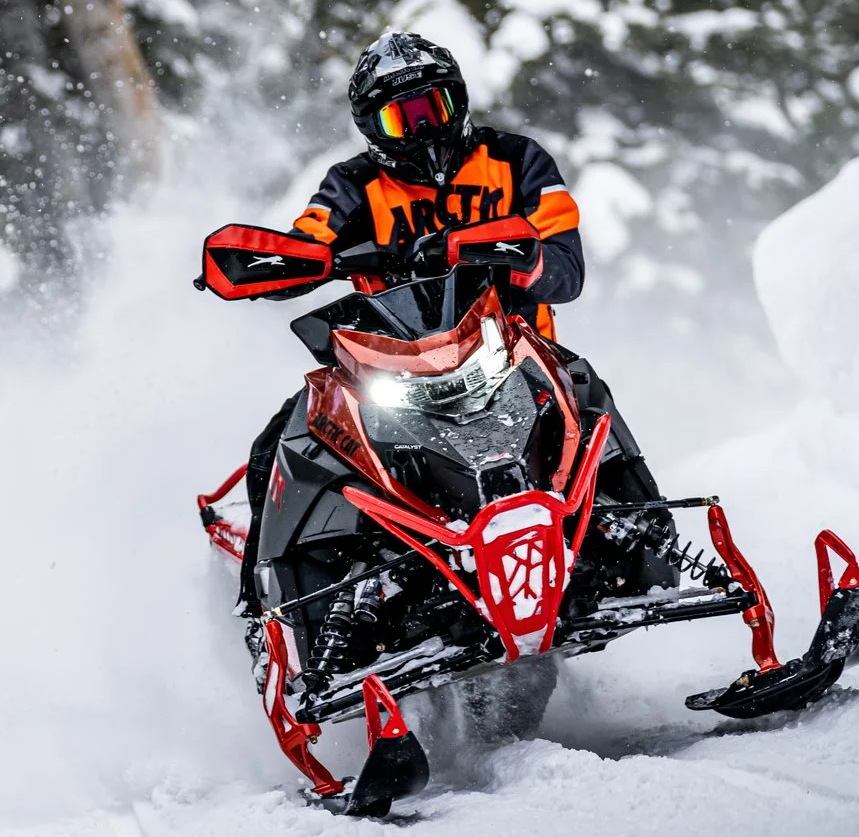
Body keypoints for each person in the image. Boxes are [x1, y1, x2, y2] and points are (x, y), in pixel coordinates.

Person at [236, 30, 676, 607]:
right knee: (283, 441)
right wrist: (293, 264)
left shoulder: (517, 161)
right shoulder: (354, 185)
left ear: (459, 101)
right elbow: (311, 237)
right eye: (403, 119)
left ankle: (648, 536)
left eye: (434, 109)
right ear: (374, 129)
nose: (423, 130)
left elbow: (565, 270)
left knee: (588, 392)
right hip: (394, 371)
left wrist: (480, 249)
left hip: (514, 352)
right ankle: (266, 601)